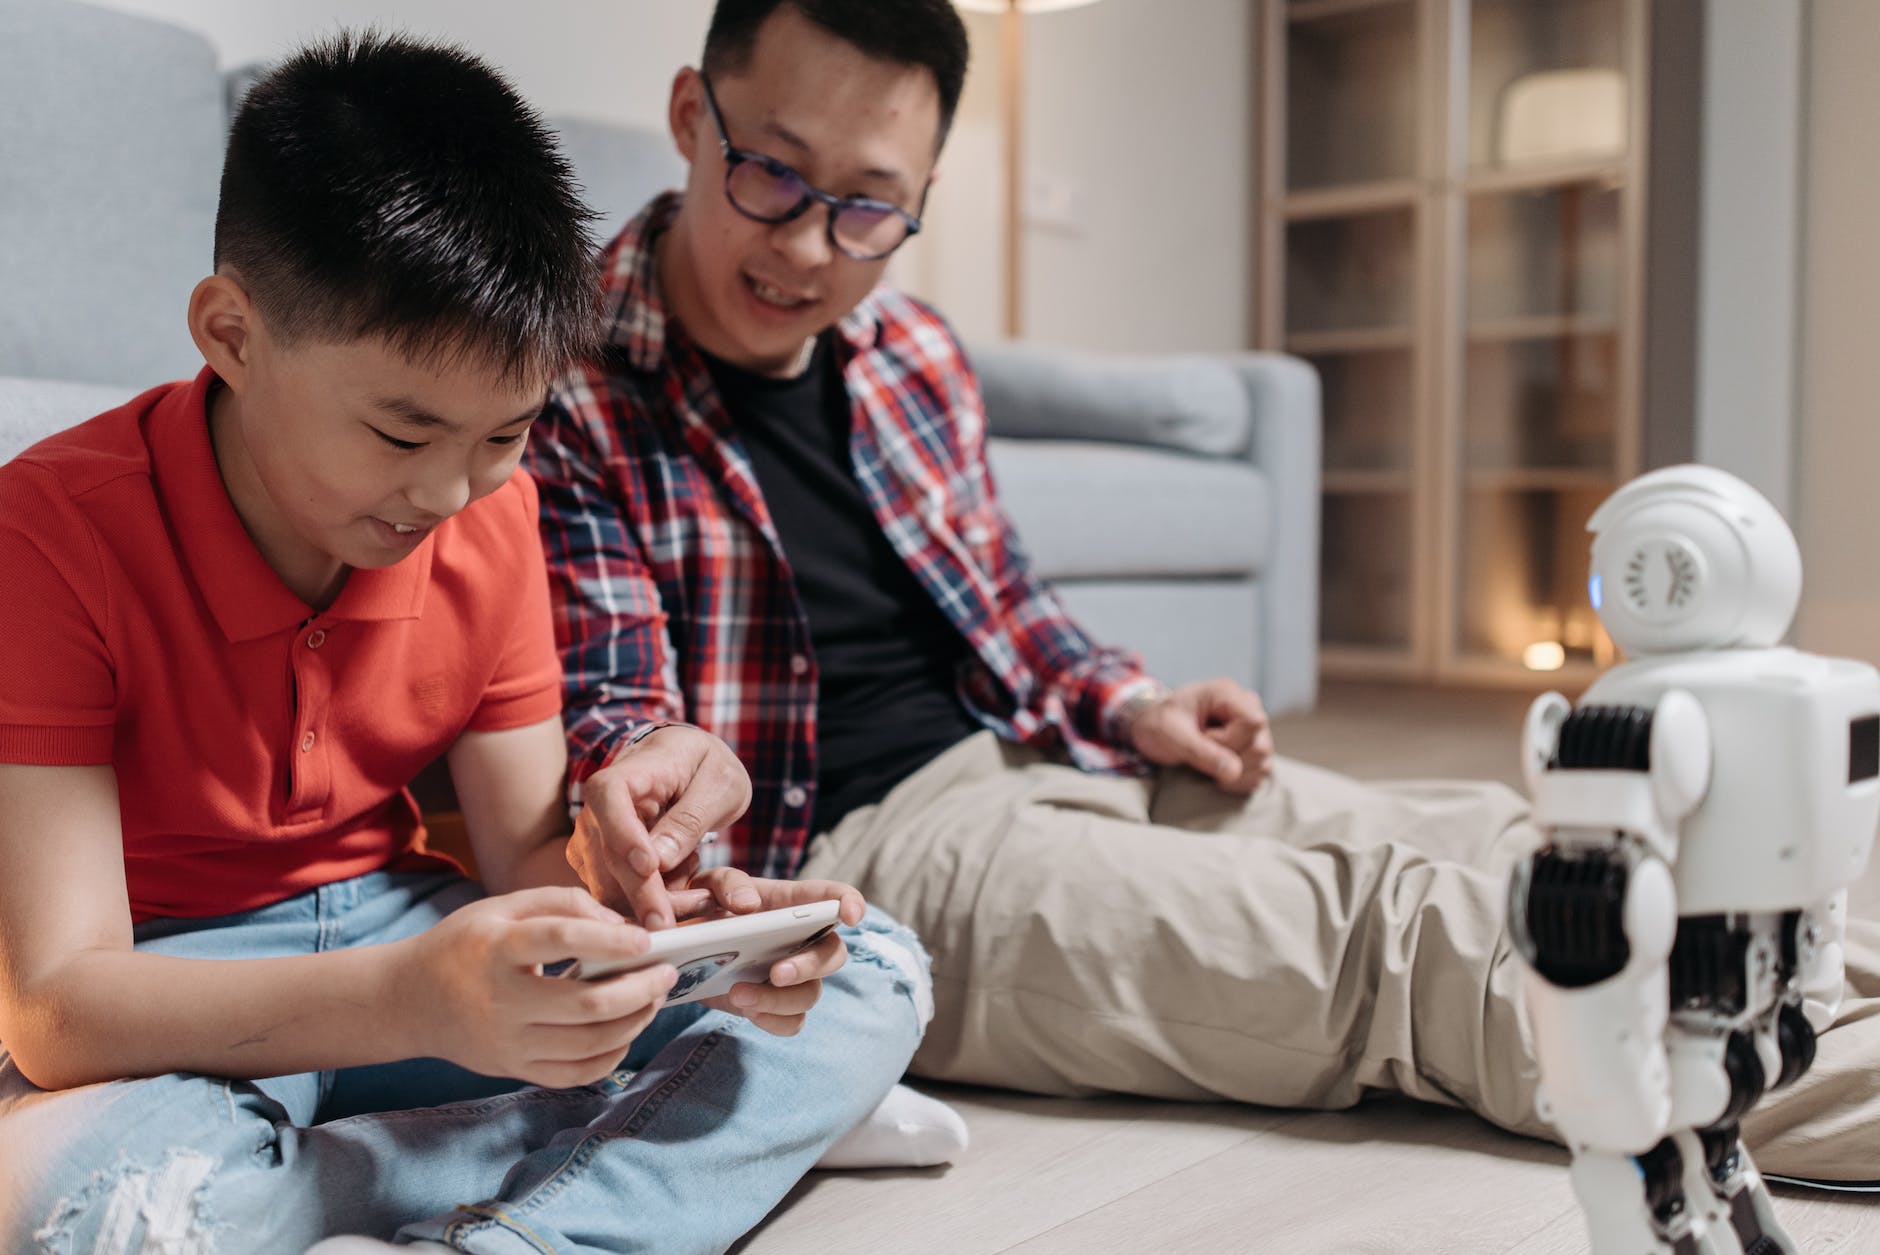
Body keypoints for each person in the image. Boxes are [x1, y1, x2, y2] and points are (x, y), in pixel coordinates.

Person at [527, 0, 1880, 1185]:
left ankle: (1834, 951)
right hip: (855, 850)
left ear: (925, 189)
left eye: (870, 204)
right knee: (1393, 936)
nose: (813, 248)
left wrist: (1140, 702)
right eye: (771, 172)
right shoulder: (564, 378)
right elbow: (618, 708)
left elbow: (1010, 607)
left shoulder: (909, 349)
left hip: (1031, 753)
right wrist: (658, 816)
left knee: (1506, 831)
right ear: (694, 118)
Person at [0, 32, 934, 1255]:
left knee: (867, 962)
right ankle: (620, 1143)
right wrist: (407, 999)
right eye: (401, 432)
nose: (451, 491)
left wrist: (664, 912)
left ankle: (501, 1228)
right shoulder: (49, 533)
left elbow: (522, 865)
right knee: (100, 1212)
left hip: (418, 937)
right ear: (231, 333)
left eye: (507, 431)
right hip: (185, 992)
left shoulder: (495, 516)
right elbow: (60, 1010)